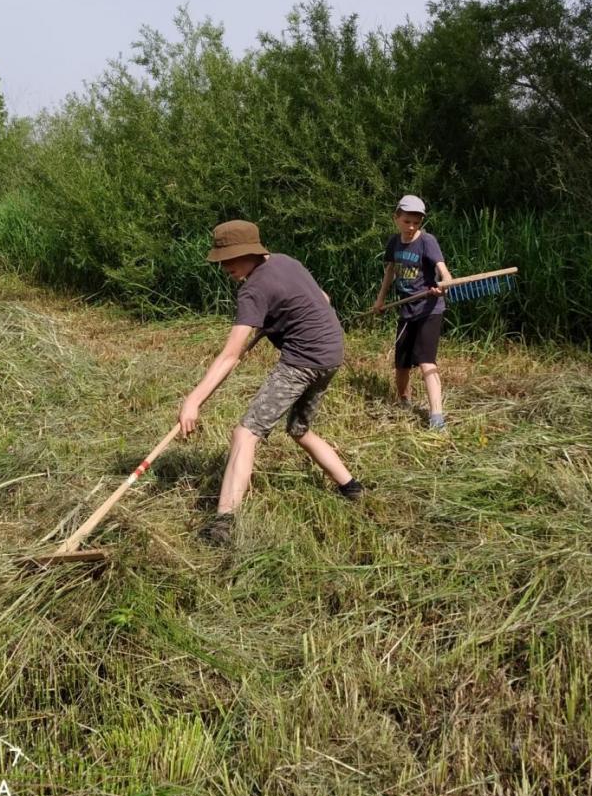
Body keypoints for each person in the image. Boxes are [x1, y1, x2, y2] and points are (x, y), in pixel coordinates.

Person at [178, 220, 362, 546]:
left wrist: (193, 400)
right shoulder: (285, 261)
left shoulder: (252, 290)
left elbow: (230, 356)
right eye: (221, 260)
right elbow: (324, 297)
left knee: (246, 432)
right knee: (299, 429)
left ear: (250, 252)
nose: (225, 267)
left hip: (302, 362)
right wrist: (278, 320)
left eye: (230, 259)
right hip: (332, 353)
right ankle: (351, 487)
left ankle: (224, 522)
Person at [371, 194, 454, 430]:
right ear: (396, 218)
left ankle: (436, 417)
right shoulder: (394, 243)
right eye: (407, 221)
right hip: (406, 310)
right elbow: (390, 271)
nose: (411, 227)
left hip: (429, 309)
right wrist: (379, 301)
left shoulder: (427, 241)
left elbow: (444, 272)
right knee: (402, 364)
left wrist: (444, 284)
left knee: (427, 361)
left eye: (416, 223)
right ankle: (404, 401)